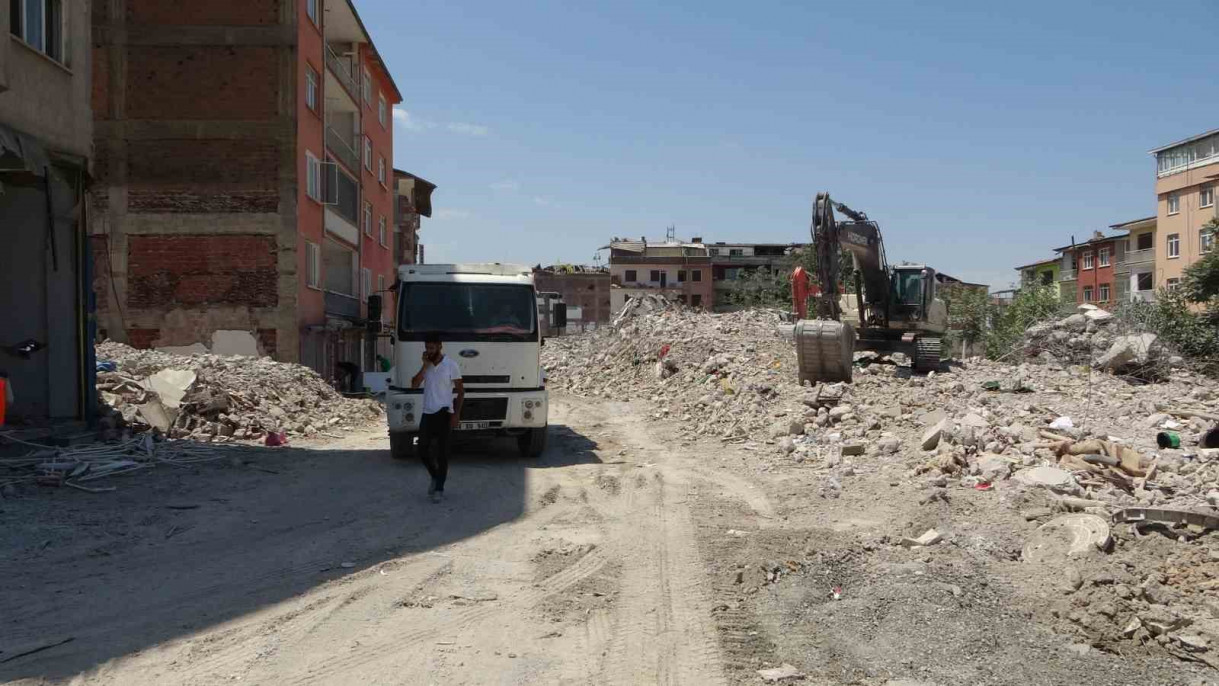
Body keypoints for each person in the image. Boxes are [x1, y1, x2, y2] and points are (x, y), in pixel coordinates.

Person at [411, 334, 464, 503]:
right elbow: (414, 384)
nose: (429, 351)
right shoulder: (426, 366)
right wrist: (424, 366)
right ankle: (435, 476)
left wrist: (456, 414)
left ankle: (439, 488)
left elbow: (461, 391)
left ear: (440, 347)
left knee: (442, 453)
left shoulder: (451, 365)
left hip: (444, 413)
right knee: (422, 450)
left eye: (432, 348)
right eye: (427, 348)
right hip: (428, 413)